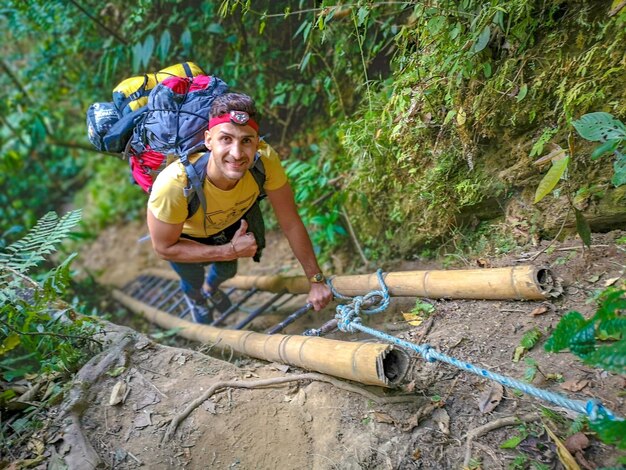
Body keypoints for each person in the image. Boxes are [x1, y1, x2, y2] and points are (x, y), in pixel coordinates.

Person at [146, 92, 333, 323]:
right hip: (183, 237)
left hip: (226, 229)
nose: (236, 153)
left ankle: (210, 290)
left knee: (227, 271)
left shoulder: (265, 161)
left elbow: (291, 222)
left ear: (257, 142)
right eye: (226, 139)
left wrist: (316, 281)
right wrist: (230, 251)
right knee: (191, 279)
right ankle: (196, 297)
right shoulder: (174, 184)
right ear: (208, 140)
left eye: (246, 140)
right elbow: (163, 248)